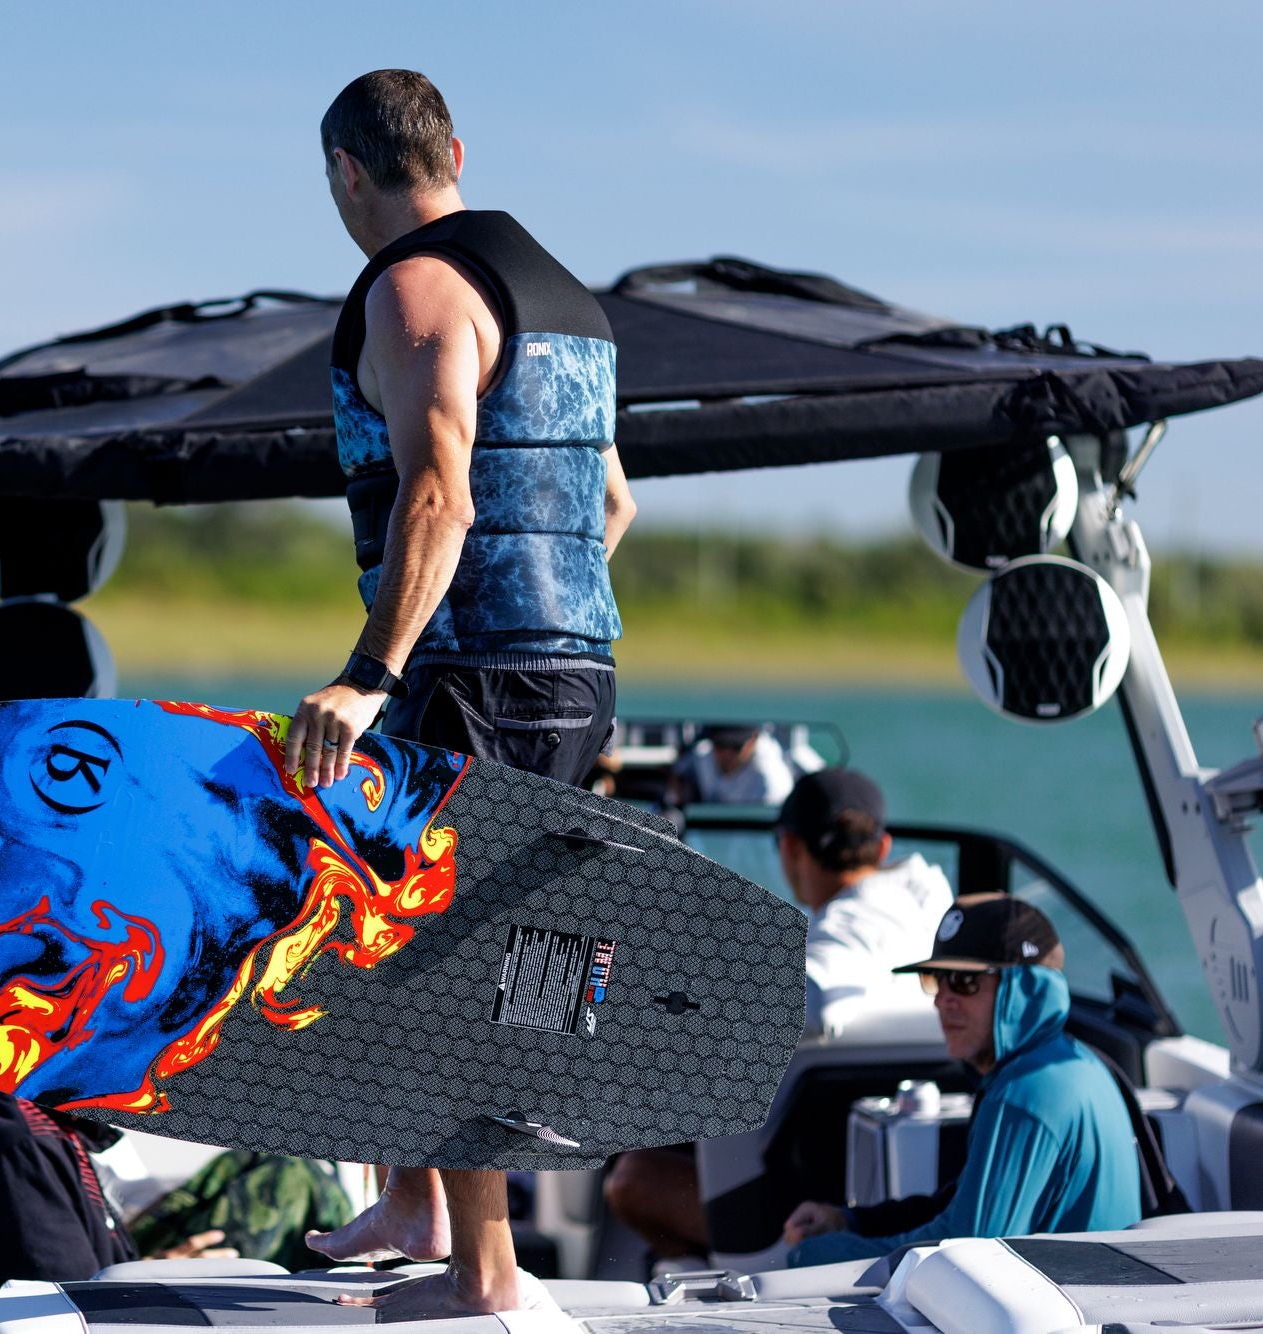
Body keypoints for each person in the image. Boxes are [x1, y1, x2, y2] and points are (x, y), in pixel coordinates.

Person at [286, 69, 635, 1316]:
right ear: (454, 152)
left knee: (444, 955)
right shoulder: (565, 300)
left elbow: (439, 492)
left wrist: (368, 674)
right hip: (572, 663)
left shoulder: (413, 288)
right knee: (469, 939)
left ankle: (483, 1275)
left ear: (346, 173)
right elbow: (608, 506)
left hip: (470, 666)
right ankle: (416, 1200)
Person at [604, 769, 953, 1258]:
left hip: (800, 1195)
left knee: (631, 1178)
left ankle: (699, 1282)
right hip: (884, 1170)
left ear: (789, 847)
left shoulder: (852, 927)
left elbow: (822, 1000)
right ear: (882, 847)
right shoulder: (927, 909)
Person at [782, 895, 1142, 1264]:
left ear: (1025, 988)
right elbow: (958, 1210)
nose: (943, 1000)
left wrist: (817, 1253)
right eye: (937, 980)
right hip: (1084, 1296)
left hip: (1065, 1312)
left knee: (809, 1258)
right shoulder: (1071, 1063)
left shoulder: (1026, 1094)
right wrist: (849, 1222)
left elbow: (967, 1258)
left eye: (965, 981)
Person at [0, 1077, 356, 1287]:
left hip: (140, 1282)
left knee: (291, 1170)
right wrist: (160, 1279)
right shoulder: (21, 1150)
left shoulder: (43, 1138)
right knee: (293, 1180)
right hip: (144, 1301)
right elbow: (79, 1313)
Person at [666, 724, 803, 807]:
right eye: (720, 744)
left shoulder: (772, 782)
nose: (726, 753)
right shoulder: (704, 753)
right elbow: (679, 770)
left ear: (754, 739)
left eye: (735, 746)